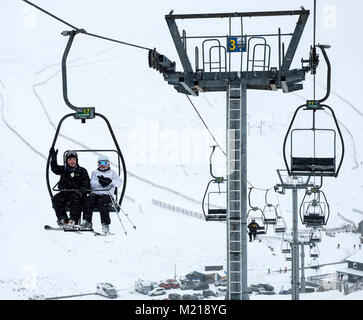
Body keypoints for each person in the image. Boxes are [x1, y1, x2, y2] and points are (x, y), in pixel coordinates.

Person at [81, 155, 122, 234]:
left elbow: (119, 183)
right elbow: (92, 184)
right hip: (95, 193)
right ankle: (87, 221)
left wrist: (110, 181)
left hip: (107, 195)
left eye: (104, 163)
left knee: (102, 202)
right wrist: (100, 182)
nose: (102, 165)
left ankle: (105, 225)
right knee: (88, 199)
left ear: (108, 164)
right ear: (98, 164)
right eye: (100, 163)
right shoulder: (95, 172)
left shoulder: (112, 173)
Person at [49, 148, 90, 226]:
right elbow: (55, 169)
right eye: (70, 159)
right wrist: (53, 158)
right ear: (67, 161)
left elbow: (86, 182)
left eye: (74, 159)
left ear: (76, 160)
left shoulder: (81, 171)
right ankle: (62, 219)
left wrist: (83, 188)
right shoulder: (64, 169)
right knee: (56, 198)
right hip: (65, 193)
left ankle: (73, 220)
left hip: (77, 193)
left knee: (75, 199)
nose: (72, 161)